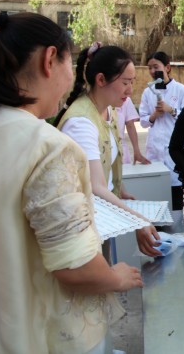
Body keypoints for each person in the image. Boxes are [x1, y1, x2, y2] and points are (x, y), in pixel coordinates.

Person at [0, 11, 143, 353]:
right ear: (50, 59)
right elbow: (76, 266)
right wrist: (115, 276)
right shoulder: (46, 147)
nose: (72, 79)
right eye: (70, 64)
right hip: (40, 337)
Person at [55, 43, 161, 257]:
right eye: (125, 83)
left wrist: (119, 190)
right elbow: (95, 186)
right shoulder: (82, 123)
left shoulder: (108, 110)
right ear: (101, 80)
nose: (130, 90)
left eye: (132, 82)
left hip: (103, 215)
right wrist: (137, 220)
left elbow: (106, 162)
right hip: (82, 225)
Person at [139, 51, 184, 209]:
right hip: (155, 149)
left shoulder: (181, 90)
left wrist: (171, 110)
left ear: (167, 67)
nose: (152, 71)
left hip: (175, 149)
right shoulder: (148, 92)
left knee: (177, 196)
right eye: (149, 68)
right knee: (157, 195)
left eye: (156, 67)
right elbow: (143, 122)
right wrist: (154, 115)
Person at [117, 96, 150, 165]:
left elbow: (130, 125)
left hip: (120, 150)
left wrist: (136, 150)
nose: (129, 91)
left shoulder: (125, 99)